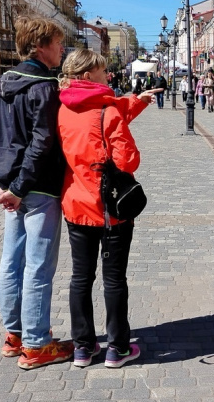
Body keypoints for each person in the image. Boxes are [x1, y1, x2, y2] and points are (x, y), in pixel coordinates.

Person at [57, 49, 157, 368]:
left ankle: (84, 348)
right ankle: (117, 348)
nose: (107, 75)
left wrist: (136, 101)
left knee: (80, 278)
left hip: (75, 205)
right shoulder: (107, 111)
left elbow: (107, 114)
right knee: (114, 280)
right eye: (102, 71)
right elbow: (128, 160)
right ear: (88, 77)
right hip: (110, 209)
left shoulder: (60, 109)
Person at [0, 16, 73, 370]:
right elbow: (42, 143)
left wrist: (2, 182)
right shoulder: (44, 87)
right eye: (57, 43)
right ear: (40, 46)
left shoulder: (4, 83)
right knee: (38, 265)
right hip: (37, 186)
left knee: (12, 263)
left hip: (11, 185)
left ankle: (15, 334)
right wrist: (20, 187)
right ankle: (37, 344)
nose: (62, 49)